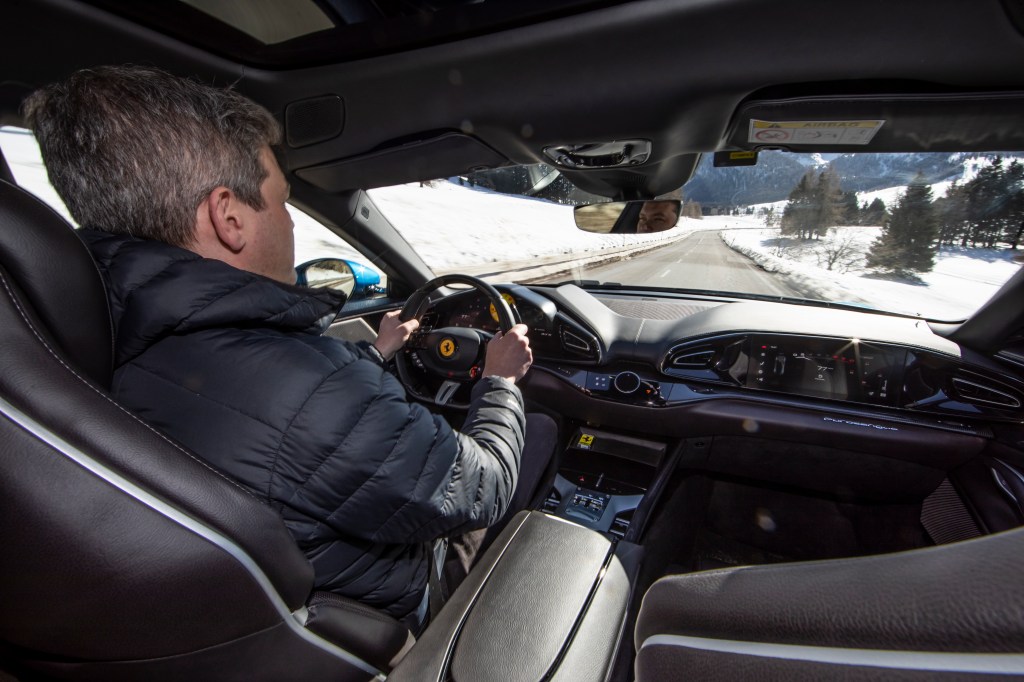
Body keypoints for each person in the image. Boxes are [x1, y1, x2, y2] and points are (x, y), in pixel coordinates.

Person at [24, 65, 551, 631]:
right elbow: (483, 487)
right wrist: (500, 381)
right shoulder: (311, 393)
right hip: (386, 616)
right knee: (540, 437)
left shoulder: (81, 339)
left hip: (264, 613)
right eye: (281, 201)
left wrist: (376, 354)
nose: (290, 223)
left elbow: (283, 422)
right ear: (229, 218)